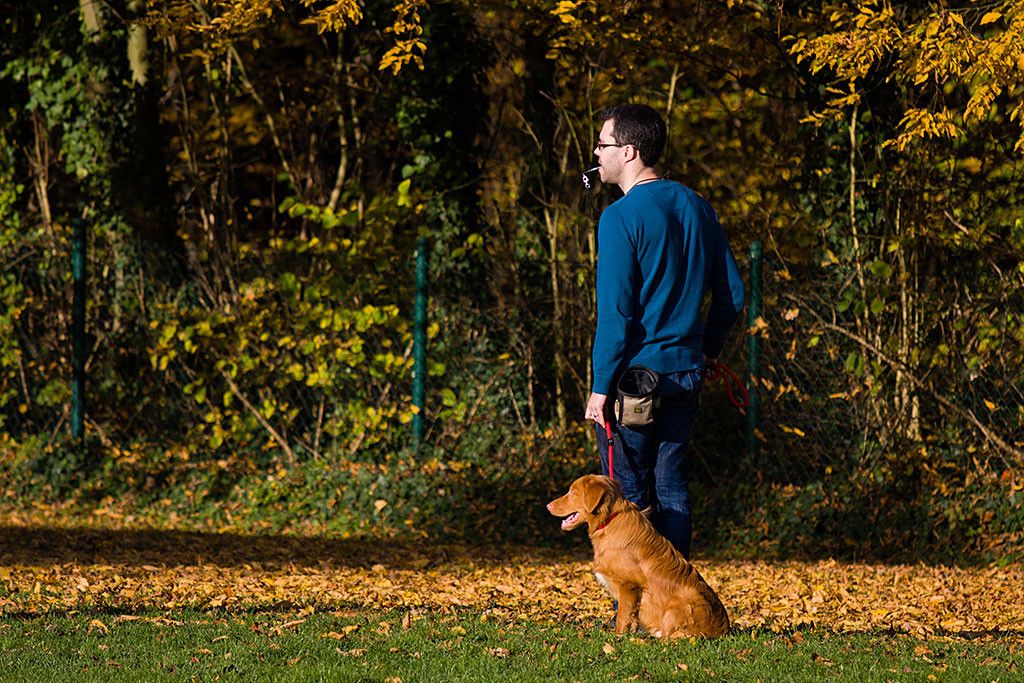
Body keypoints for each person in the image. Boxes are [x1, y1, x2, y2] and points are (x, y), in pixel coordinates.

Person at [584, 103, 745, 560]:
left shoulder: (619, 217)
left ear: (629, 151)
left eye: (603, 143)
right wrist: (707, 350)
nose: (596, 152)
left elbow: (616, 316)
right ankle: (675, 600)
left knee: (626, 497)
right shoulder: (699, 207)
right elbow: (732, 295)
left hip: (634, 384)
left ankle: (638, 607)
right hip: (686, 374)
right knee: (673, 489)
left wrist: (599, 389)